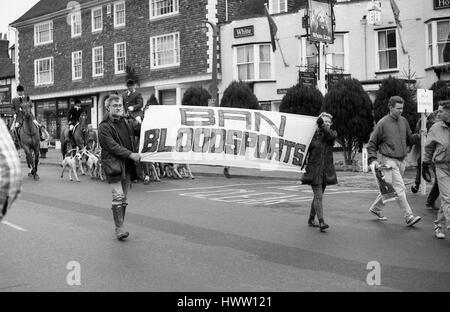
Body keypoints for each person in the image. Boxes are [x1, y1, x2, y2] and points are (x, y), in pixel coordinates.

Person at [367, 96, 421, 226]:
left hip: (402, 161)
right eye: (398, 108)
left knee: (390, 189)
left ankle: (375, 208)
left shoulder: (404, 121)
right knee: (400, 188)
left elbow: (409, 139)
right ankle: (409, 216)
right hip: (388, 160)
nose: (401, 111)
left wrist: (419, 136)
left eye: (402, 108)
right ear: (390, 107)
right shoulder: (382, 123)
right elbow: (372, 143)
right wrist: (372, 159)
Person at [98, 94, 141, 240]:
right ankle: (119, 228)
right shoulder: (103, 127)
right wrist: (130, 154)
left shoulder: (128, 122)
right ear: (108, 107)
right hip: (114, 164)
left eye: (120, 105)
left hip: (128, 164)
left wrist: (143, 122)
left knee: (124, 198)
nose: (118, 108)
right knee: (118, 195)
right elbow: (112, 146)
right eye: (115, 105)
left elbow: (140, 131)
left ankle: (120, 224)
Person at [301, 112, 337, 232]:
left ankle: (311, 219)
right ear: (318, 123)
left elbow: (330, 136)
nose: (326, 124)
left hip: (326, 171)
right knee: (318, 196)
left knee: (318, 197)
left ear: (330, 124)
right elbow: (304, 151)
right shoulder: (312, 136)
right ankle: (321, 221)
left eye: (328, 122)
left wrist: (322, 126)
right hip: (314, 170)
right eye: (323, 121)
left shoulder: (332, 135)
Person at [422, 102, 450, 239]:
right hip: (442, 166)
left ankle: (439, 225)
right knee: (447, 198)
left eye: (440, 111)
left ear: (449, 112)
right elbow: (428, 148)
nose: (437, 114)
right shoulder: (435, 128)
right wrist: (425, 164)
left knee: (447, 200)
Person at [411, 111, 440, 209]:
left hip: (433, 154)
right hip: (434, 155)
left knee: (439, 180)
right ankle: (418, 186)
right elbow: (419, 136)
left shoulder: (433, 123)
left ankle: (418, 186)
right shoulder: (433, 125)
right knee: (440, 179)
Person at [0, 118, 22, 222]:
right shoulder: (17, 103)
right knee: (15, 129)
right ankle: (18, 142)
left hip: (24, 118)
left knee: (37, 125)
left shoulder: (27, 102)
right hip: (17, 119)